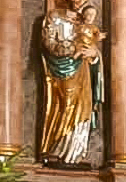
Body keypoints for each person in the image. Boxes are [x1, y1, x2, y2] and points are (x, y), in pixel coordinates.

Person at [38, 0, 103, 167]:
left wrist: (94, 54)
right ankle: (57, 150)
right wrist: (73, 49)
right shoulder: (54, 16)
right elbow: (48, 43)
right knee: (66, 105)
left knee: (84, 107)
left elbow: (94, 47)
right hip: (63, 70)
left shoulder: (87, 21)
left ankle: (75, 152)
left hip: (84, 70)